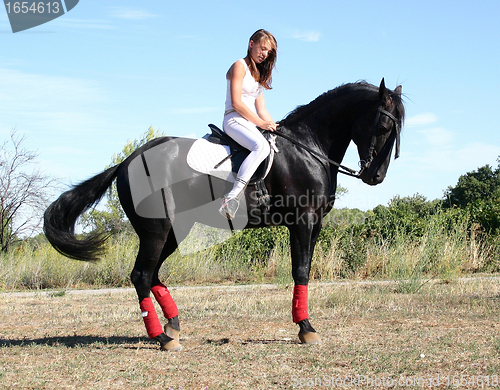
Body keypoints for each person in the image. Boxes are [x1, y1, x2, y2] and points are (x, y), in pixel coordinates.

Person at [219, 29, 278, 220]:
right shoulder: (239, 66)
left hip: (249, 123)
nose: (264, 54)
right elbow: (237, 103)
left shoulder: (258, 75)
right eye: (262, 48)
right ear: (251, 44)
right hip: (233, 119)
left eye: (268, 52)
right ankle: (231, 198)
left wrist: (273, 125)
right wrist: (261, 123)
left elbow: (262, 110)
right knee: (260, 146)